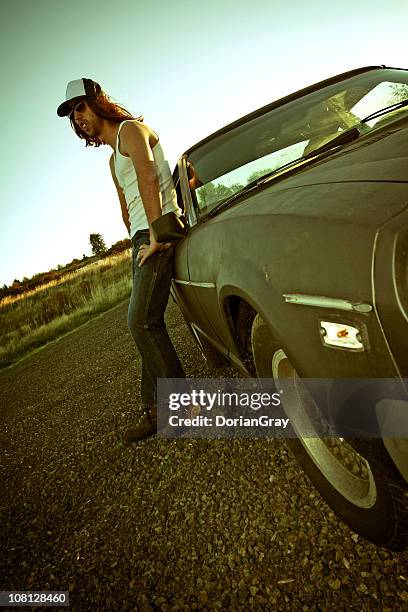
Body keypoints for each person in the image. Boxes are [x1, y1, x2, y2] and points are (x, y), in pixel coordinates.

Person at [57, 78, 186, 442]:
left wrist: (159, 235)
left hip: (158, 232)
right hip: (141, 239)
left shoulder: (132, 130)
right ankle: (156, 409)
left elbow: (148, 176)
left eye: (80, 107)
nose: (78, 118)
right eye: (72, 115)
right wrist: (137, 234)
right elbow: (126, 209)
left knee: (141, 322)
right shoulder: (113, 160)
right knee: (145, 322)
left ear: (98, 101)